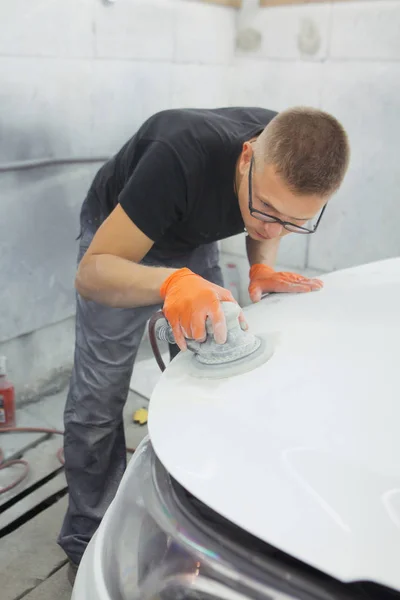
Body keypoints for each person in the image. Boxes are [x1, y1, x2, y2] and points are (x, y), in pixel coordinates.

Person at [58, 106, 350, 578]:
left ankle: (197, 523)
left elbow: (272, 217)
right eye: (266, 210)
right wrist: (171, 284)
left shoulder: (286, 149)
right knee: (99, 396)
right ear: (245, 158)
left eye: (294, 222)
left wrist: (262, 265)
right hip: (120, 241)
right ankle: (85, 538)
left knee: (219, 373)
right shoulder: (177, 156)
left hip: (191, 236)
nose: (272, 229)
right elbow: (91, 275)